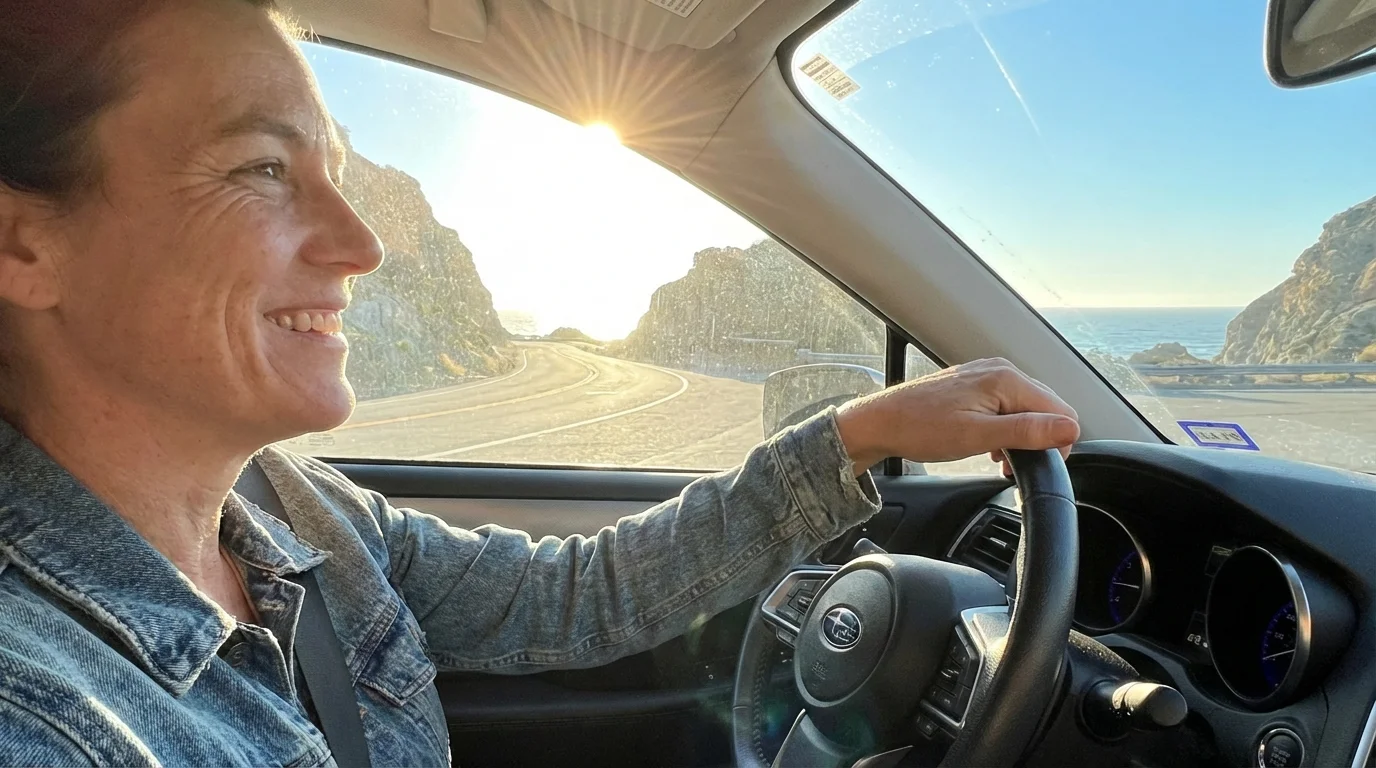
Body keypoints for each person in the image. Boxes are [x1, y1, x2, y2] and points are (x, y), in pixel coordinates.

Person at [0, 1, 1080, 764]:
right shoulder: (34, 707)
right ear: (23, 244)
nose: (361, 243)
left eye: (332, 168)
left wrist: (849, 437)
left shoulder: (292, 509)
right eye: (260, 169)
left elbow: (568, 597)